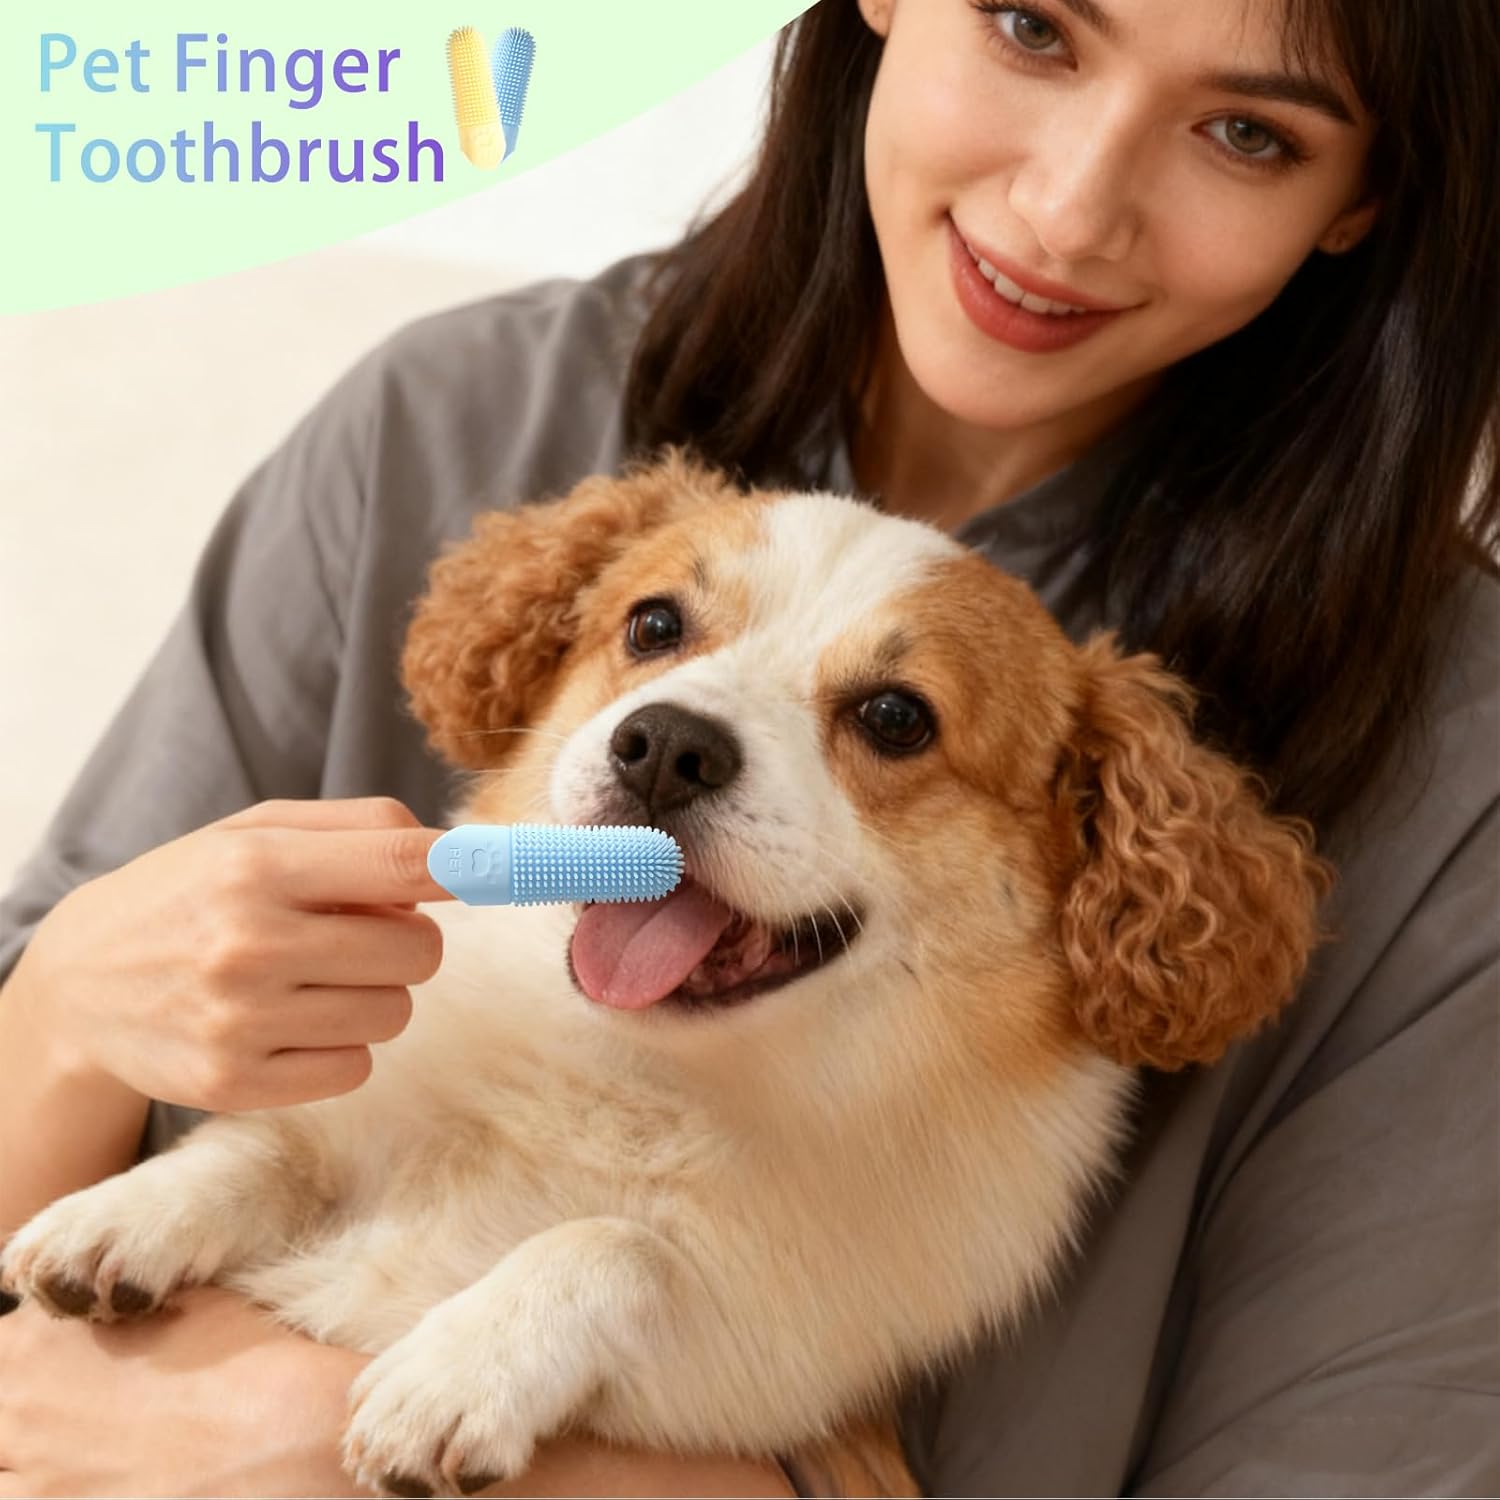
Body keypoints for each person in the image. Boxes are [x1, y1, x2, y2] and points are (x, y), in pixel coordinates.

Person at [2, 0, 1496, 1492]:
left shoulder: (1453, 768)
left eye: (1249, 131)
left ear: (1365, 194)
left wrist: (340, 1449)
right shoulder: (444, 424)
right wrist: (68, 1005)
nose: (1068, 209)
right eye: (1032, 27)